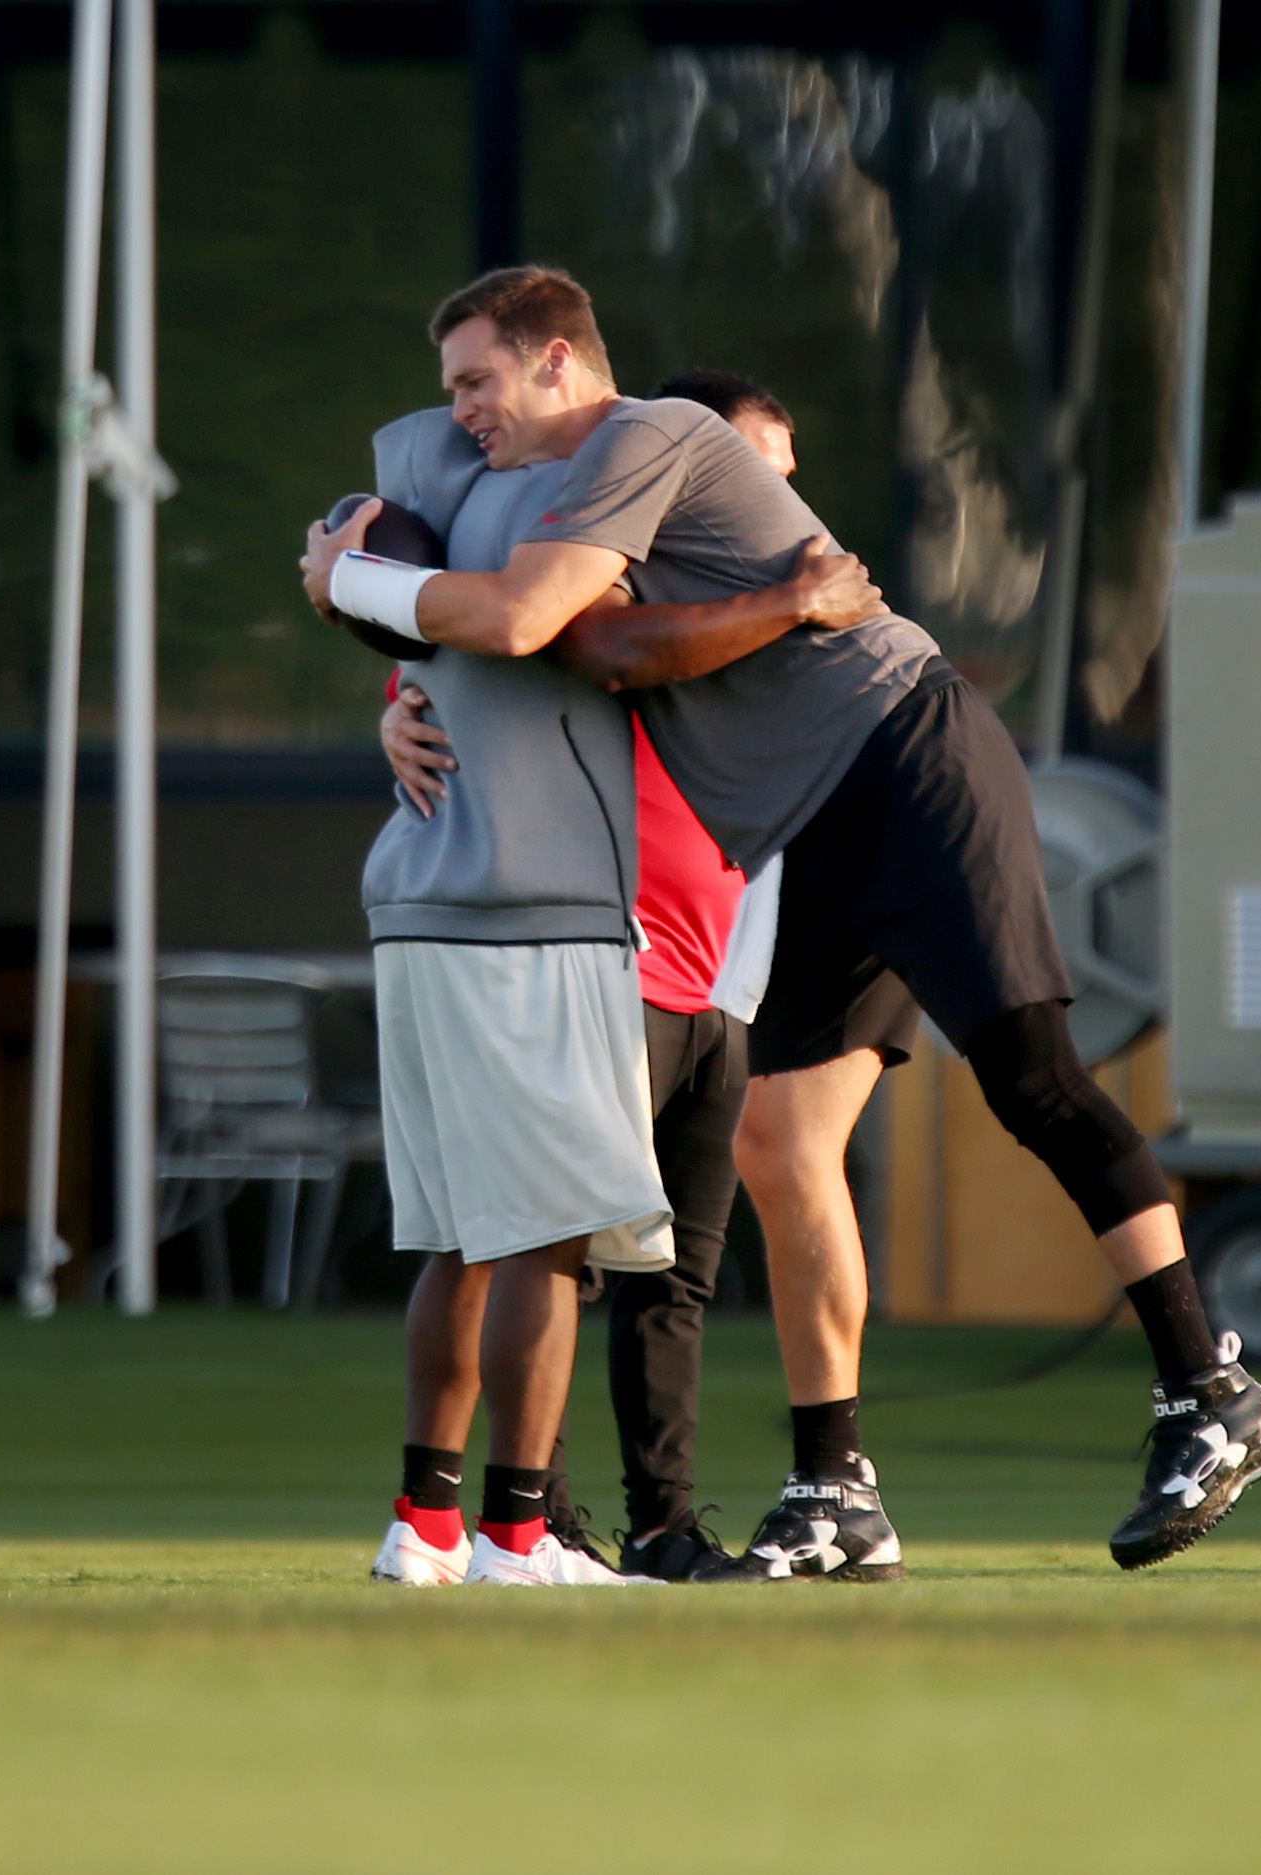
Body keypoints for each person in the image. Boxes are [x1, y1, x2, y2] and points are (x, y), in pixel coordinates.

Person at [308, 266, 1261, 1578]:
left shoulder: (643, 433)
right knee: (781, 1136)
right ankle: (837, 1484)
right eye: (453, 392)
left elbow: (576, 639)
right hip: (802, 817)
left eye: (479, 381)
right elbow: (463, 570)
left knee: (1032, 1071)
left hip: (904, 755)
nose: (464, 412)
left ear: (560, 362)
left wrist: (354, 582)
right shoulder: (540, 476)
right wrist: (378, 642)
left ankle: (1207, 1386)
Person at [336, 381, 881, 1589]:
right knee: (544, 1245)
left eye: (784, 478)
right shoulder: (621, 590)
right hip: (597, 951)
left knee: (664, 1274)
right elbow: (517, 647)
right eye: (743, 469)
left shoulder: (778, 615)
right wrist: (391, 681)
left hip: (717, 974)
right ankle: (525, 1528)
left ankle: (645, 1525)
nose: (767, 499)